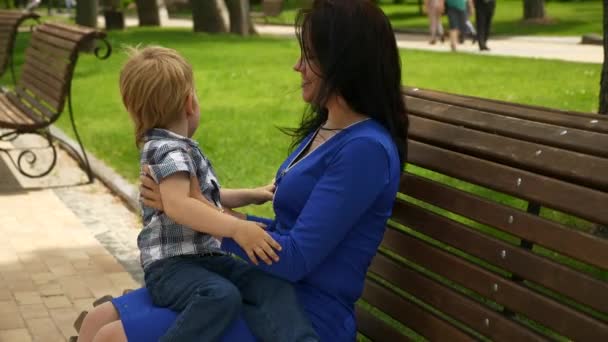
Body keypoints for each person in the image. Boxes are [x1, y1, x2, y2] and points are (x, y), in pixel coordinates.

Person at [74, 0, 409, 341]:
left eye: (309, 56)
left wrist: (202, 214)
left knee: (110, 337)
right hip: (263, 285)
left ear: (343, 62)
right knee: (96, 320)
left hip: (301, 312)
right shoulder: (326, 130)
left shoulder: (365, 151)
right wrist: (218, 216)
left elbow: (294, 258)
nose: (298, 66)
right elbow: (283, 231)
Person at [84, 46, 319, 342]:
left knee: (270, 285)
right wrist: (237, 228)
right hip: (172, 269)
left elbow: (205, 199)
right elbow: (181, 206)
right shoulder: (168, 151)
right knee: (220, 297)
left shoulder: (178, 147)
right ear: (189, 103)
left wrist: (253, 193)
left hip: (206, 259)